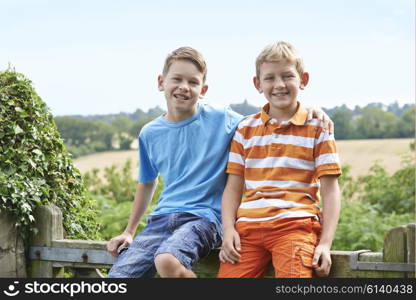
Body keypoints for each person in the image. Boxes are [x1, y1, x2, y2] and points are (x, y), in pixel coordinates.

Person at [106, 46, 334, 278]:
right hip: (161, 220)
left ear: (203, 89)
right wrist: (129, 231)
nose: (184, 87)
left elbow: (271, 119)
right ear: (160, 82)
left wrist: (311, 112)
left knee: (167, 260)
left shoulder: (224, 120)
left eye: (193, 82)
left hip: (205, 218)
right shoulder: (149, 133)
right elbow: (146, 183)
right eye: (177, 79)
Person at [217, 41, 341, 278]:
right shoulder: (245, 129)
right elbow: (233, 187)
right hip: (247, 231)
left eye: (287, 76)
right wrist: (228, 229)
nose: (279, 85)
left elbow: (331, 191)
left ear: (303, 80)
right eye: (270, 78)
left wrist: (325, 243)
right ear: (258, 84)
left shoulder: (318, 127)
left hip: (294, 227)